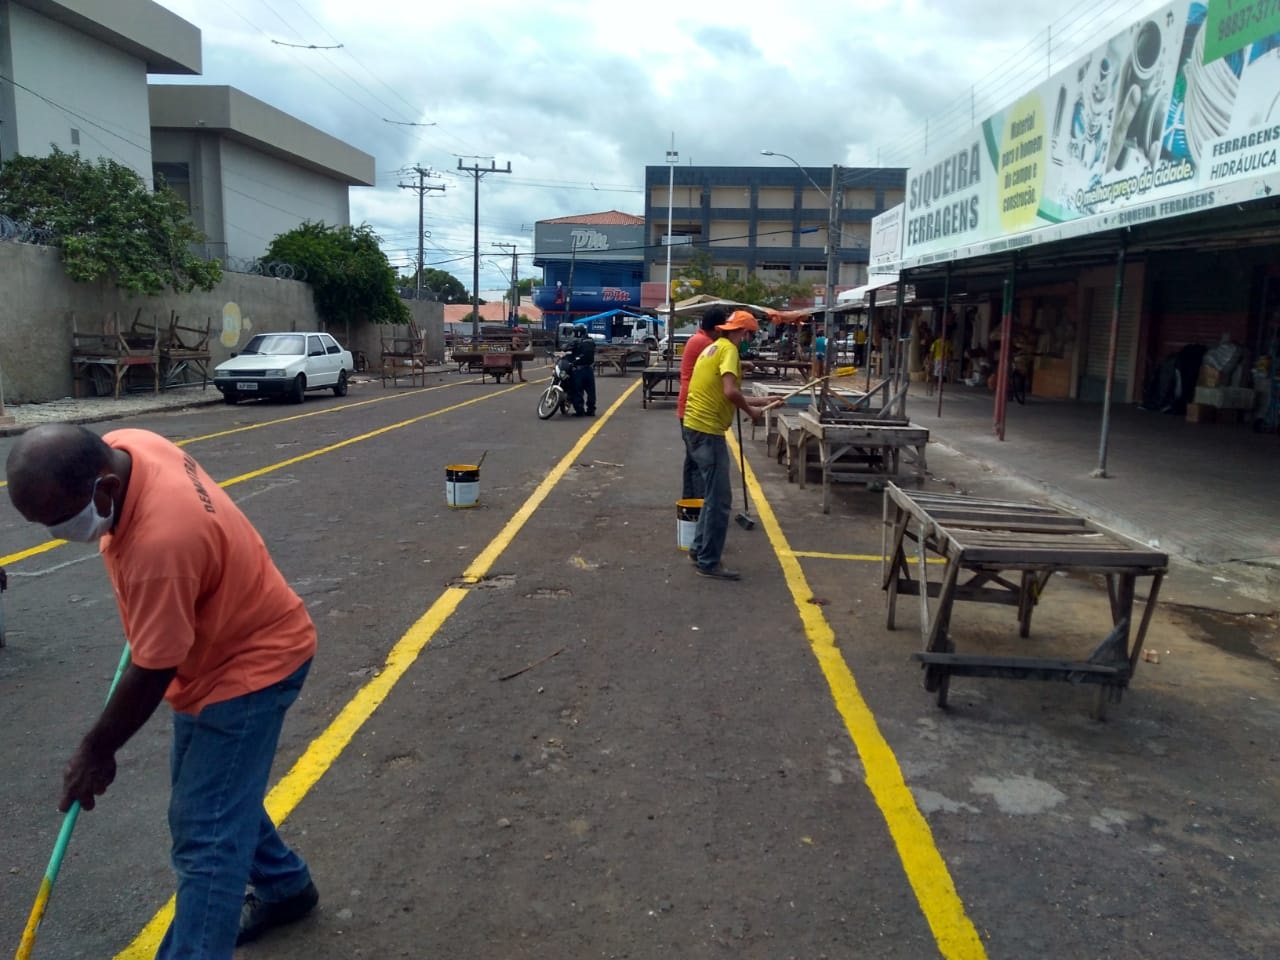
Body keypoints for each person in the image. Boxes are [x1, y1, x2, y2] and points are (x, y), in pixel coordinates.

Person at [5, 424, 320, 956]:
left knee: (205, 834)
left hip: (251, 666)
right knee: (215, 796)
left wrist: (95, 750)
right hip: (211, 644)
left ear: (104, 489)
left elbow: (153, 667)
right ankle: (285, 886)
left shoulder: (162, 542)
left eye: (57, 520)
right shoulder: (133, 444)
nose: (52, 534)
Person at [682, 310, 777, 581]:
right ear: (742, 333)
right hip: (708, 431)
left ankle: (700, 549)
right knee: (721, 500)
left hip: (695, 426)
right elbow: (730, 392)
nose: (750, 340)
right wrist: (752, 412)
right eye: (750, 335)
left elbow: (725, 393)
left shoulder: (714, 348)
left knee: (713, 496)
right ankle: (709, 562)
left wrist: (766, 400)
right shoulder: (730, 352)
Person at [676, 306, 730, 500]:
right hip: (696, 408)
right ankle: (701, 505)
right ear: (717, 328)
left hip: (687, 406)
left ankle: (690, 500)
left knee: (692, 460)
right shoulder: (706, 344)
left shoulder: (698, 340)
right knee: (701, 463)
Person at [569, 326, 596, 416]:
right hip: (589, 368)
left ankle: (580, 411)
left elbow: (566, 347)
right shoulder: (591, 340)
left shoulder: (576, 341)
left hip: (579, 369)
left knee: (577, 390)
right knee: (591, 390)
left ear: (578, 332)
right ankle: (591, 410)